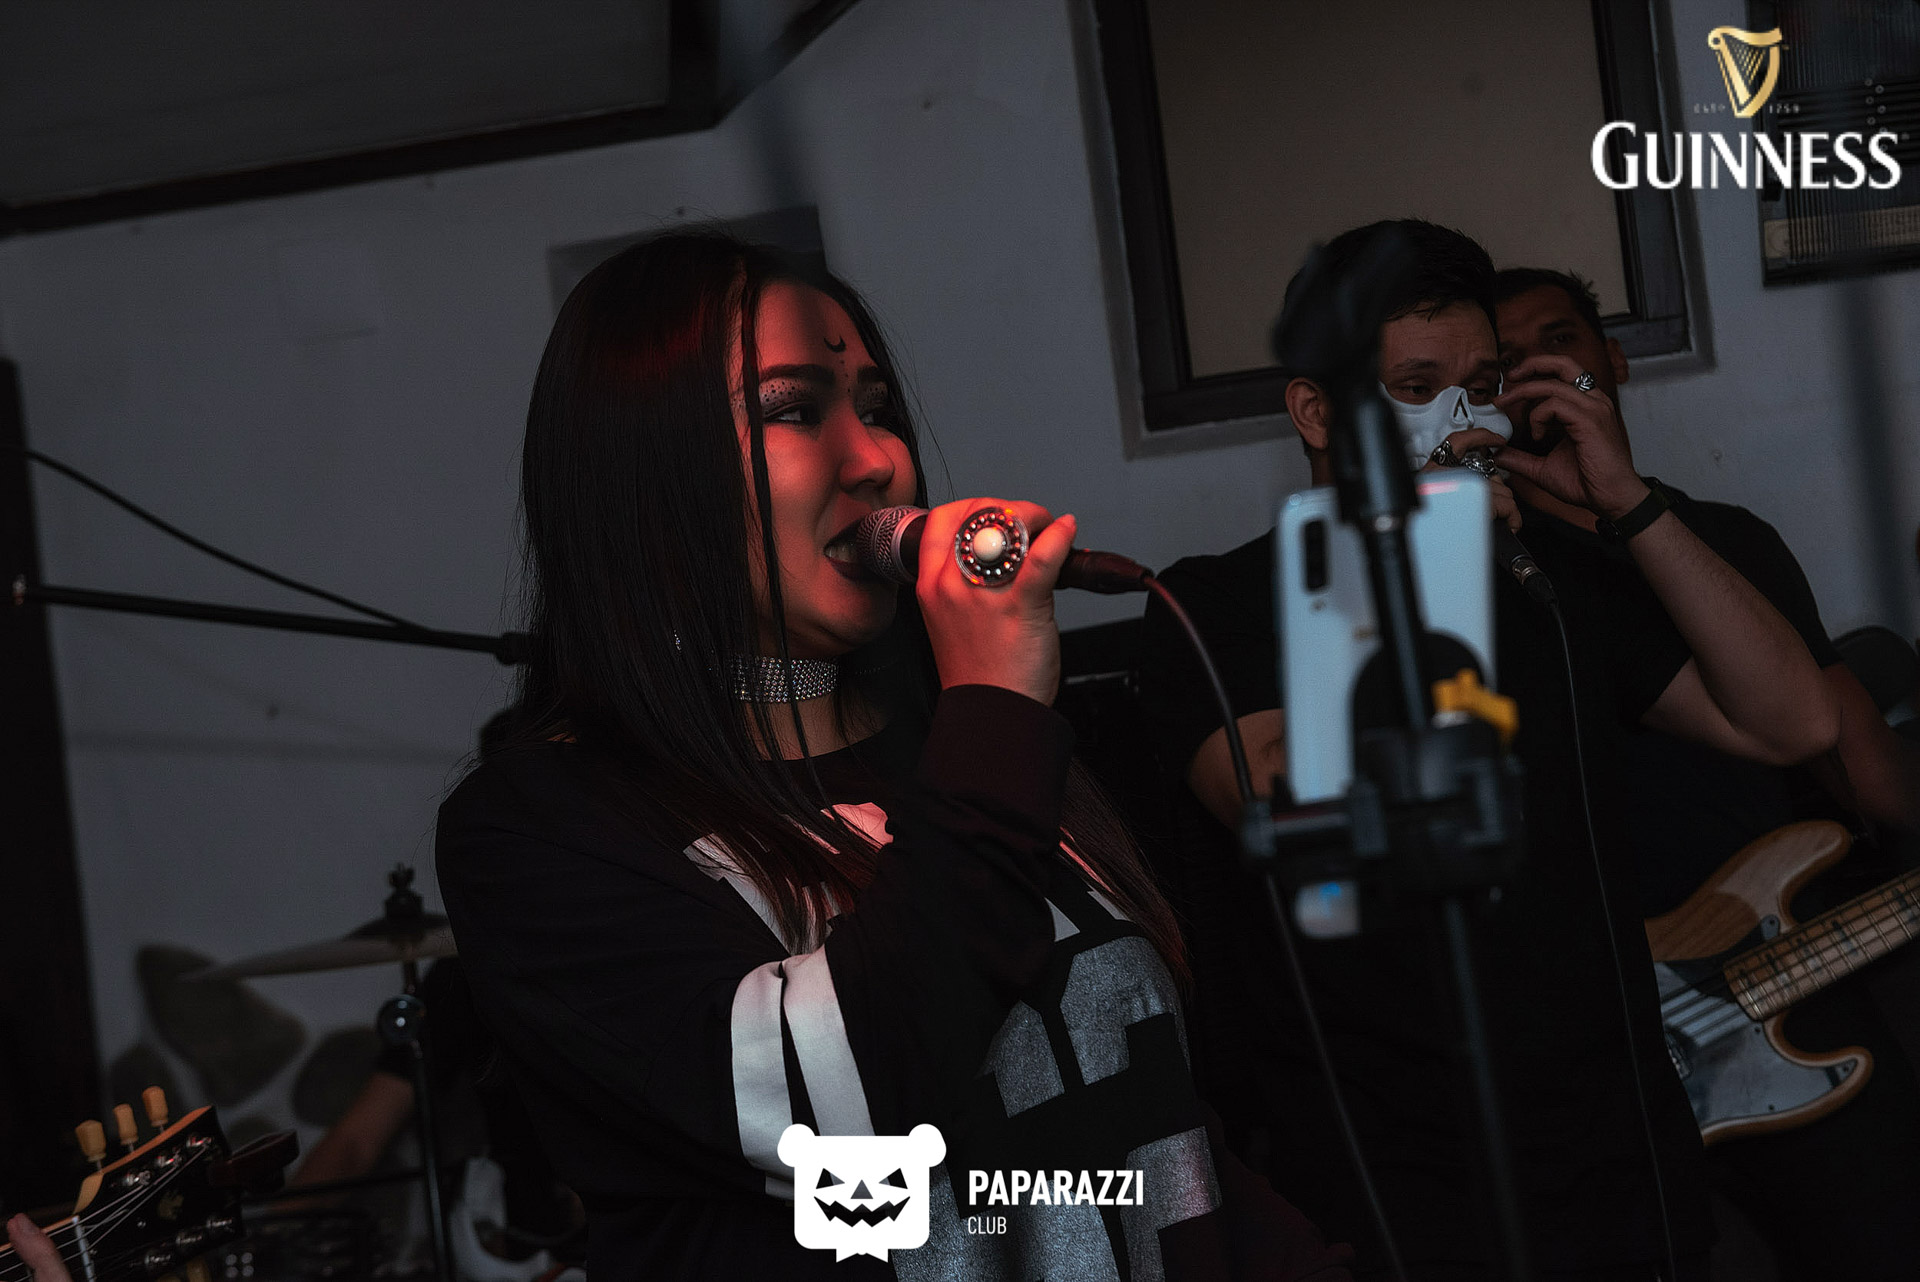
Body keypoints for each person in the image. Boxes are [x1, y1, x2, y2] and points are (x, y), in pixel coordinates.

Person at [433, 231, 1351, 1280]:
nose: (878, 460)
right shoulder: (544, 827)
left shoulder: (964, 748)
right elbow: (845, 1115)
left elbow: (1156, 1140)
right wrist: (994, 711)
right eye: (793, 409)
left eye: (876, 408)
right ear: (643, 479)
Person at [1137, 219, 1839, 1279]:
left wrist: (1627, 504)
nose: (1458, 420)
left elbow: (1791, 721)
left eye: (1478, 386)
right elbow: (1292, 798)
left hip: (1618, 1156)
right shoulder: (1215, 602)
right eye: (1414, 388)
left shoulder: (1539, 577)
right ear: (1316, 410)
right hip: (1399, 1182)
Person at [1493, 266, 1920, 1279]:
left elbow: (1857, 762)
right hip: (1601, 1014)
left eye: (1561, 340)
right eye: (1507, 364)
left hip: (1786, 958)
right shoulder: (1498, 565)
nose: (1539, 372)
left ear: (1612, 360)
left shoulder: (1727, 540)